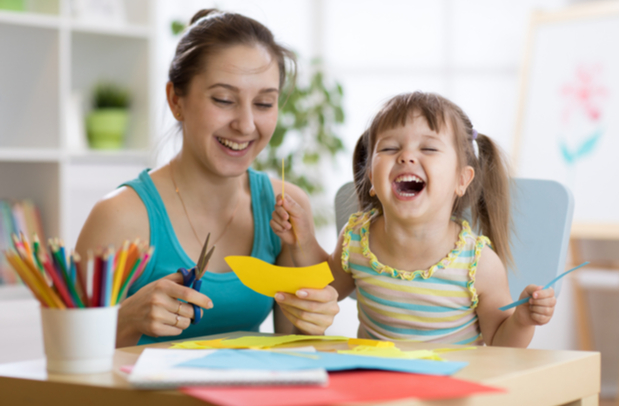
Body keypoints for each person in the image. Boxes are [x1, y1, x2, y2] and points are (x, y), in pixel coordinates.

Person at [76, 9, 339, 348]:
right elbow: (66, 360)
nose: (246, 125)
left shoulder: (283, 207)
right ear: (176, 100)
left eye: (263, 103)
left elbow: (293, 350)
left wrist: (312, 318)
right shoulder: (120, 216)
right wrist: (126, 320)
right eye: (224, 100)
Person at [271, 91, 557, 347]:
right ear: (371, 176)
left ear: (462, 179)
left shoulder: (477, 263)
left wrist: (521, 320)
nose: (406, 156)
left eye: (429, 148)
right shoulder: (357, 238)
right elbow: (326, 288)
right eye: (390, 148)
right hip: (377, 387)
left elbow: (500, 343)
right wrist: (303, 239)